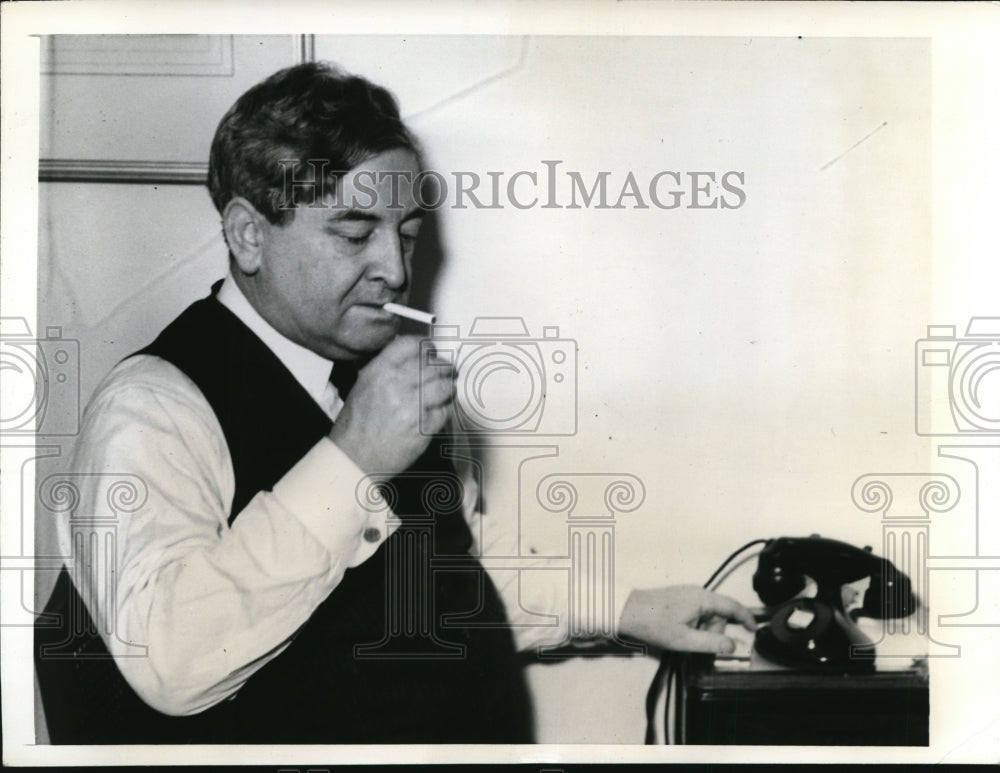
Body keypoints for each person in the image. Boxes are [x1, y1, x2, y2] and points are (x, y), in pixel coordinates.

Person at [34, 61, 756, 745]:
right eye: (356, 234)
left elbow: (444, 579)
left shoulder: (383, 378)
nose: (397, 269)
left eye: (406, 234)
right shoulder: (152, 409)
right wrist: (353, 458)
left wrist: (626, 607)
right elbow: (174, 663)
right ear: (249, 235)